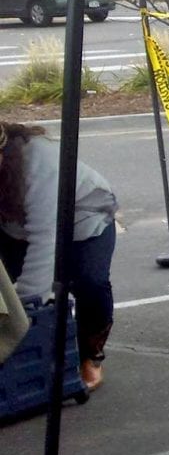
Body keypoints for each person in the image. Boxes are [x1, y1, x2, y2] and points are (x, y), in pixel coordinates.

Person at [0, 123, 118, 390]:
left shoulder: (39, 160)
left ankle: (91, 356)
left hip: (84, 221)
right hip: (15, 228)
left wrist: (24, 308)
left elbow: (46, 237)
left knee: (90, 282)